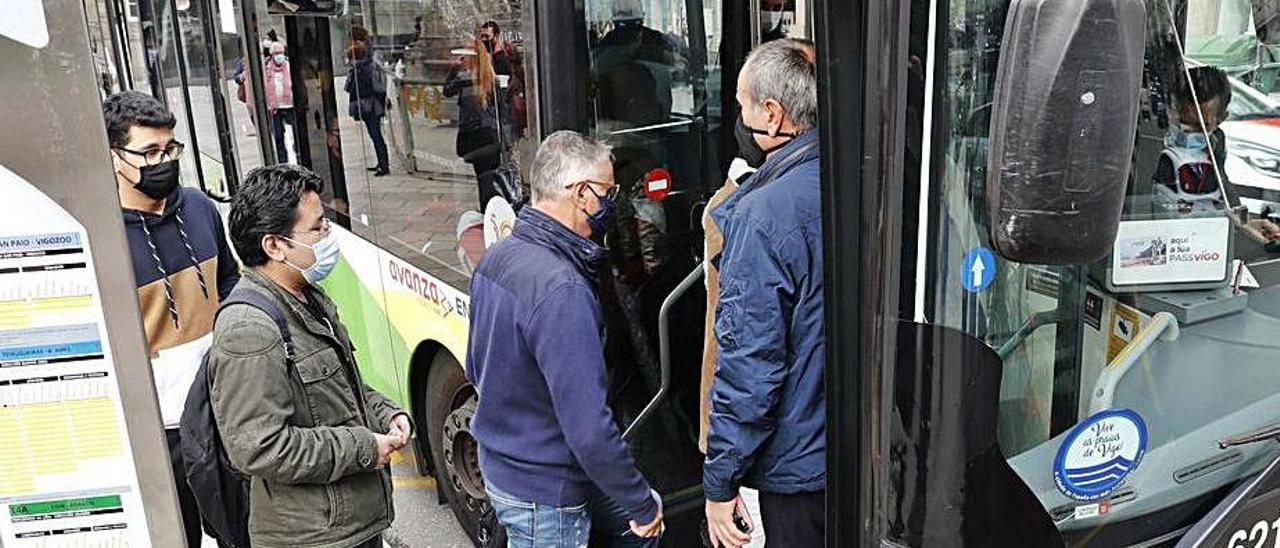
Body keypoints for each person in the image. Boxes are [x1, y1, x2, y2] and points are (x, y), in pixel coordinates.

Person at [466, 131, 664, 546]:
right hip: (547, 493)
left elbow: (475, 367)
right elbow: (588, 429)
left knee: (638, 532)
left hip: (507, 468)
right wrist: (641, 503)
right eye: (608, 193)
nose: (612, 204)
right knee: (644, 517)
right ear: (581, 193)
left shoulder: (498, 256)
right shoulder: (563, 289)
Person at [211, 164, 411, 548]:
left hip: (351, 527)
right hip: (314, 537)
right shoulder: (249, 330)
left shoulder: (307, 294)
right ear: (274, 245)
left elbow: (339, 388)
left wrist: (387, 414)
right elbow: (260, 447)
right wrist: (363, 448)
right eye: (317, 228)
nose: (328, 236)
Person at [103, 91, 242, 548]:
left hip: (223, 410)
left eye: (170, 149)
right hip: (160, 431)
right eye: (149, 153)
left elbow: (228, 281)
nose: (163, 162)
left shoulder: (200, 208)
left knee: (240, 530)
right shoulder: (104, 237)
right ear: (115, 156)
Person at [704, 38, 825, 548]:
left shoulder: (763, 215)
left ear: (772, 116)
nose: (739, 119)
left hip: (795, 468)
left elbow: (751, 366)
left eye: (742, 105)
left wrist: (720, 482)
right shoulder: (851, 175)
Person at [444, 40, 507, 209]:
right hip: (490, 135)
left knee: (484, 180)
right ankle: (489, 208)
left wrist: (454, 69)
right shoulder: (491, 78)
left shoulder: (464, 78)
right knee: (486, 178)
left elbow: (447, 90)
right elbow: (501, 110)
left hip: (474, 136)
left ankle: (492, 208)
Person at [345, 41, 390, 176]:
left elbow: (376, 87)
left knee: (376, 135)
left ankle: (384, 165)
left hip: (371, 106)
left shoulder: (365, 68)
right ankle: (381, 162)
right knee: (374, 135)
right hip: (369, 105)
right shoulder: (360, 68)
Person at [263, 42, 296, 164]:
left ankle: (298, 152)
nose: (279, 56)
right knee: (278, 136)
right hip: (275, 107)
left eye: (281, 53)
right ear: (272, 55)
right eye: (277, 53)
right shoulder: (266, 68)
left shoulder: (289, 66)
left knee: (297, 131)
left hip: (289, 105)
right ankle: (283, 161)